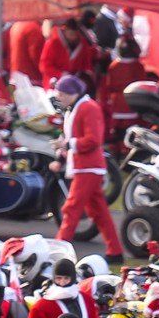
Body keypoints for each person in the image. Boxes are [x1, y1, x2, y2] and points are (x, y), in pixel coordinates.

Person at [52, 75, 124, 259]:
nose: (58, 97)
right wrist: (63, 154)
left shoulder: (88, 108)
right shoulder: (77, 107)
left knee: (72, 208)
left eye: (60, 93)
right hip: (85, 167)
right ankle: (115, 250)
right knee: (99, 211)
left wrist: (67, 146)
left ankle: (59, 250)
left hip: (88, 167)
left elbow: (93, 140)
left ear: (71, 93)